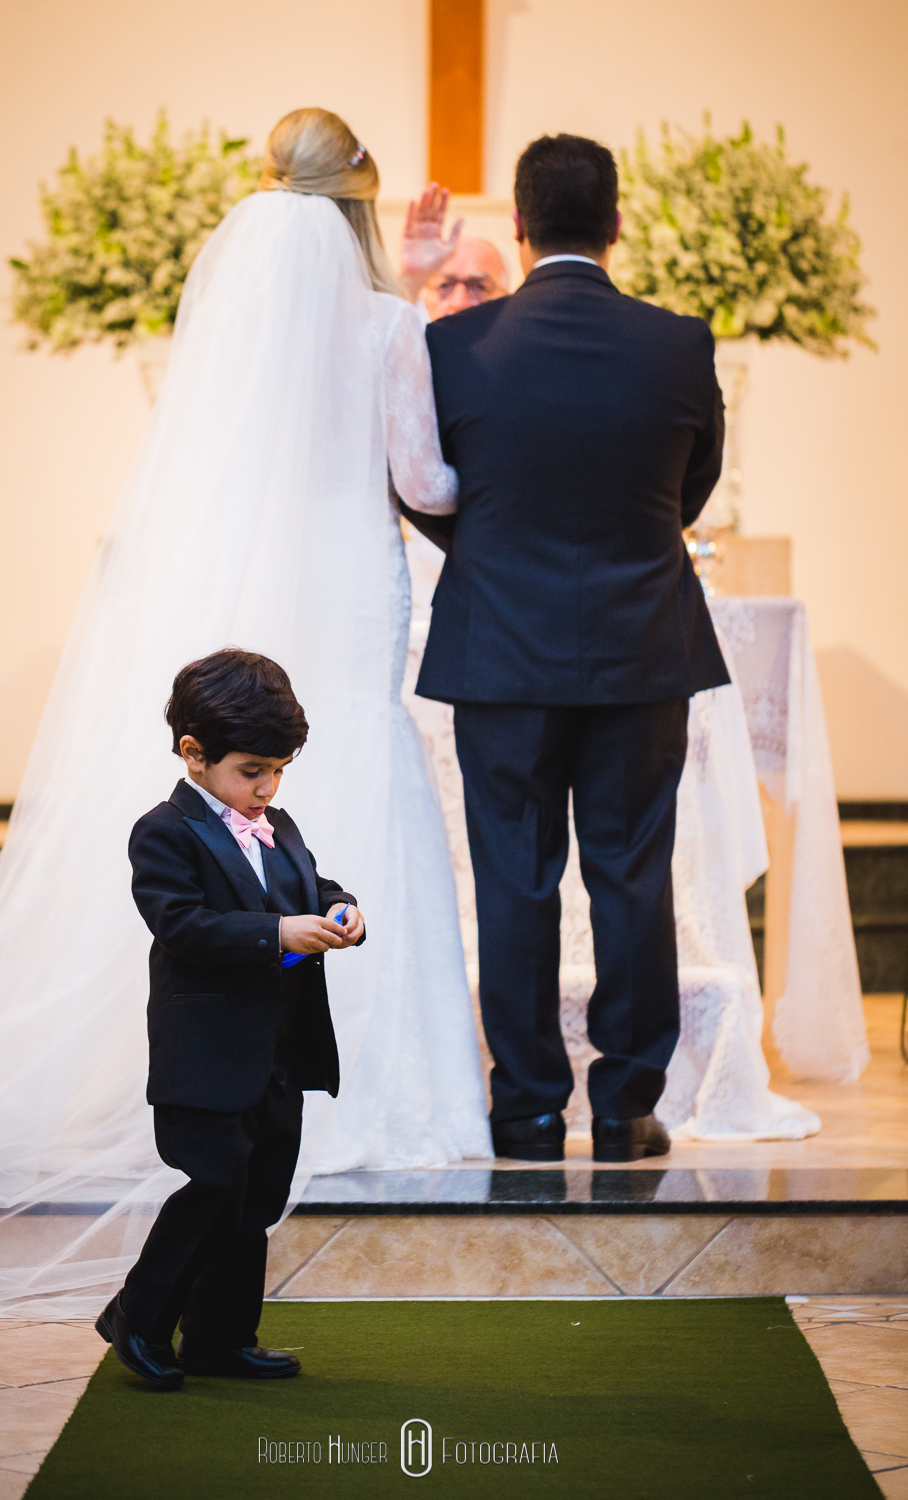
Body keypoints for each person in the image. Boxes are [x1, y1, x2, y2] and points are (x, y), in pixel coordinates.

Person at [0, 107, 490, 1322]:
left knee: (260, 796)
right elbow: (425, 480)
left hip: (261, 579)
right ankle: (391, 1092)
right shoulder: (388, 327)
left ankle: (213, 1074)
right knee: (365, 772)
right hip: (353, 570)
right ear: (360, 208)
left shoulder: (228, 319)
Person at [405, 134, 729, 1164]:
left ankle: (530, 1107)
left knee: (514, 877)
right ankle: (628, 1107)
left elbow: (430, 488)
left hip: (501, 647)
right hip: (642, 643)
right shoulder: (678, 344)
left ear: (522, 225)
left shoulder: (456, 346)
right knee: (632, 873)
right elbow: (690, 489)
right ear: (617, 221)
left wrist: (495, 553)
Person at [97, 649, 363, 1389]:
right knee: (211, 1187)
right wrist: (275, 934)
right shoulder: (164, 832)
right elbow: (180, 923)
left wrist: (342, 908)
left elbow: (308, 881)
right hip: (207, 1054)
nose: (267, 787)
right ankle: (138, 1317)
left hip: (277, 1051)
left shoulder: (276, 822)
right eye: (252, 770)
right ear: (194, 753)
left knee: (257, 1198)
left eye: (279, 770)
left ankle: (219, 1337)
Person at [399, 185, 510, 318]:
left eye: (479, 287)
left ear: (506, 297)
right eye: (444, 286)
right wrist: (412, 280)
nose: (459, 304)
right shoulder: (410, 334)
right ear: (424, 295)